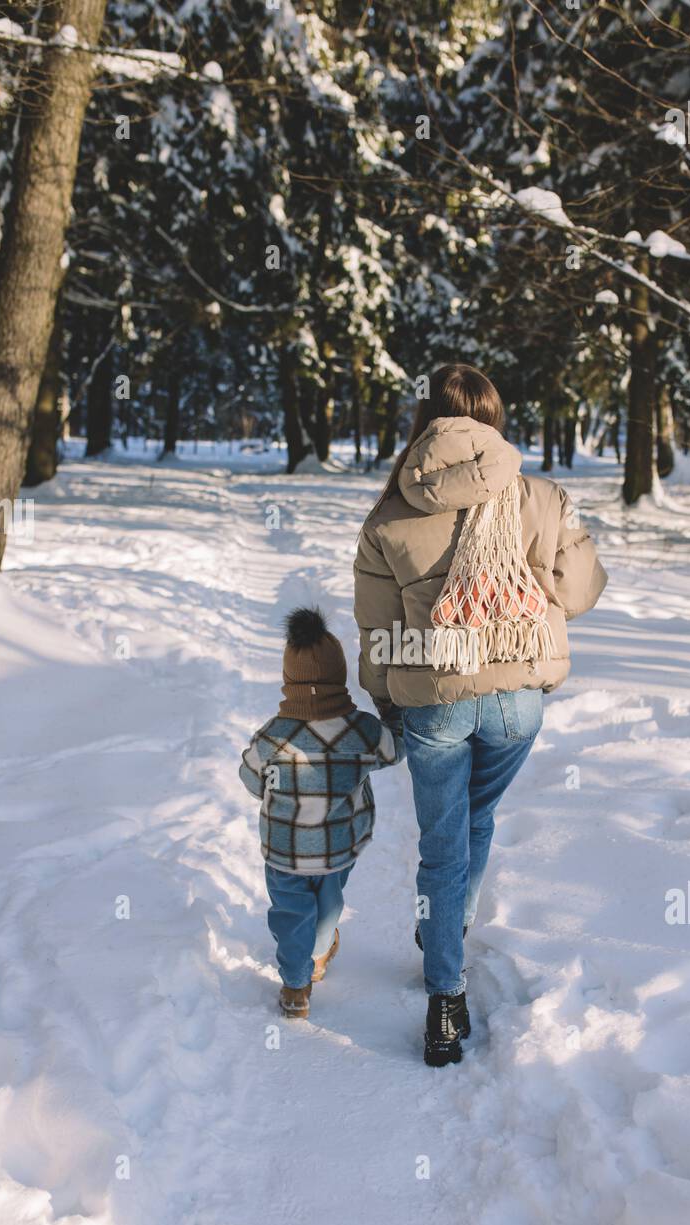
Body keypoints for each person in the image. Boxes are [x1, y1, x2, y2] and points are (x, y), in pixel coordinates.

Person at [354, 363, 607, 1066]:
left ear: (424, 423)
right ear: (492, 418)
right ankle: (450, 934)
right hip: (518, 700)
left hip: (435, 698)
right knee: (479, 818)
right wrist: (568, 536)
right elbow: (580, 591)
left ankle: (444, 996)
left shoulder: (391, 515)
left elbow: (378, 632)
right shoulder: (543, 495)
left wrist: (386, 700)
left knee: (443, 842)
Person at [240, 607, 404, 1019]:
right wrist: (393, 714)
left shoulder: (272, 736)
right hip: (337, 849)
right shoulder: (361, 730)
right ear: (339, 674)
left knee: (291, 912)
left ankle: (296, 986)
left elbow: (251, 779)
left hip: (284, 852)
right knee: (329, 903)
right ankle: (318, 952)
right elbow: (395, 750)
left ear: (288, 678)